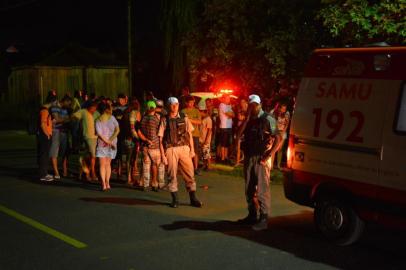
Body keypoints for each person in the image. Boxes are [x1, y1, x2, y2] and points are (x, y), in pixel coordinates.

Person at [237, 94, 280, 231]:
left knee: (262, 190)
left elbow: (279, 138)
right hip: (250, 157)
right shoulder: (249, 119)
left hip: (261, 158)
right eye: (251, 104)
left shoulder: (268, 119)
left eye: (255, 104)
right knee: (249, 189)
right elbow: (238, 135)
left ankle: (264, 219)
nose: (253, 107)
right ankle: (252, 215)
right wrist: (247, 118)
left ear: (260, 104)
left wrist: (269, 154)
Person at [158, 97, 202, 208]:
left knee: (190, 174)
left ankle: (193, 198)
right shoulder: (164, 119)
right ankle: (175, 200)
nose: (174, 106)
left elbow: (190, 134)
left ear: (178, 105)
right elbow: (160, 138)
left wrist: (192, 150)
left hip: (184, 148)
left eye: (176, 104)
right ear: (169, 106)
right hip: (170, 149)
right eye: (172, 104)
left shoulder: (184, 117)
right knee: (172, 174)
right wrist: (163, 155)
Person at [95, 103, 120, 191]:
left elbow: (100, 135)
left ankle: (103, 184)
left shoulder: (98, 120)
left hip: (102, 144)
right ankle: (108, 183)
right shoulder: (112, 118)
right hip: (112, 144)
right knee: (108, 164)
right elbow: (117, 130)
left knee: (102, 164)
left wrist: (108, 141)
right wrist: (111, 141)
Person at [72, 100, 99, 181]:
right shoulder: (83, 112)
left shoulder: (96, 113)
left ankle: (85, 174)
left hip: (95, 137)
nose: (94, 110)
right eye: (93, 108)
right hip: (88, 137)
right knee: (92, 156)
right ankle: (92, 173)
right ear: (89, 107)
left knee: (89, 156)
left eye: (95, 108)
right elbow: (74, 116)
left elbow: (101, 120)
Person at [138, 100, 161, 191]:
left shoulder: (143, 118)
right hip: (155, 145)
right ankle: (154, 183)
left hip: (145, 145)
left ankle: (144, 184)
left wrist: (146, 140)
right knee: (154, 165)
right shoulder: (155, 119)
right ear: (154, 108)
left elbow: (139, 132)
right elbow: (157, 132)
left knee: (145, 164)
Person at [49, 95, 72, 179]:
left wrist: (62, 119)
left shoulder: (64, 109)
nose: (69, 106)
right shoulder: (55, 106)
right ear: (65, 101)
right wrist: (66, 119)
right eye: (68, 104)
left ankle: (65, 171)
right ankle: (56, 172)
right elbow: (57, 119)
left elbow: (59, 119)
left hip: (63, 131)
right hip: (55, 131)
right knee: (54, 152)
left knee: (65, 152)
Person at [181, 95, 202, 175]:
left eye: (193, 102)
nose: (191, 104)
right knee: (186, 151)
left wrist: (190, 120)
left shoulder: (196, 111)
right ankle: (187, 168)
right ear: (186, 103)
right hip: (185, 134)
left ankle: (196, 168)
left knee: (195, 151)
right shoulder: (183, 111)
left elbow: (200, 122)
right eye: (190, 102)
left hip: (195, 134)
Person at [123, 97, 141, 185]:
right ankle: (131, 178)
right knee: (133, 160)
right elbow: (133, 128)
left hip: (126, 138)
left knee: (128, 159)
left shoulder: (126, 113)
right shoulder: (134, 113)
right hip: (133, 139)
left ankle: (129, 177)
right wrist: (138, 137)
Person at [37, 97, 54, 182]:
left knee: (45, 155)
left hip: (45, 135)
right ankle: (43, 175)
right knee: (44, 155)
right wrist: (47, 134)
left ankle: (44, 173)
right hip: (45, 136)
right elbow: (42, 124)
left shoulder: (45, 110)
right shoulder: (44, 111)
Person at [112, 93, 128, 180]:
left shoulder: (128, 108)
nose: (120, 101)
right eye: (119, 99)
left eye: (121, 99)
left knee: (123, 153)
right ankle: (118, 170)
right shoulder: (115, 108)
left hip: (124, 133)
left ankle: (121, 170)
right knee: (118, 152)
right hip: (116, 133)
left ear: (124, 99)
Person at [271, 102, 290, 169]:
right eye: (283, 109)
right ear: (279, 108)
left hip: (283, 132)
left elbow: (287, 124)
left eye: (285, 109)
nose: (284, 110)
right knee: (273, 148)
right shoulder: (274, 113)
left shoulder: (286, 114)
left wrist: (283, 131)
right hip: (276, 131)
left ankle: (278, 165)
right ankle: (271, 165)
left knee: (280, 149)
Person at [218, 94, 234, 163]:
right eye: (227, 98)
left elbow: (233, 115)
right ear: (223, 99)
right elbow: (230, 114)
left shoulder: (229, 106)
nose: (229, 100)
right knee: (223, 143)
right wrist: (230, 114)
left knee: (227, 144)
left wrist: (231, 114)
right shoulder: (222, 105)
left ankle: (226, 157)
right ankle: (222, 158)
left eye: (229, 98)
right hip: (224, 127)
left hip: (229, 127)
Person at [199, 102, 213, 171]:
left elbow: (209, 130)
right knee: (203, 153)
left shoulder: (208, 119)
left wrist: (207, 140)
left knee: (207, 152)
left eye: (200, 112)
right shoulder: (203, 119)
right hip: (202, 138)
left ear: (203, 112)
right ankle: (205, 165)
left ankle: (209, 166)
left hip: (206, 139)